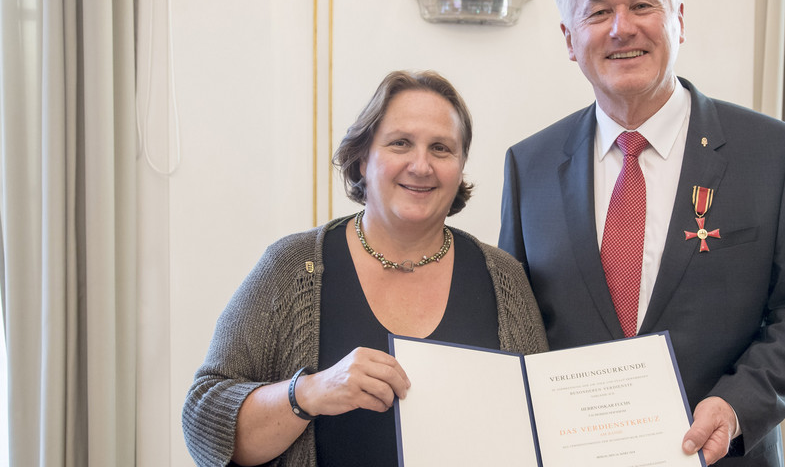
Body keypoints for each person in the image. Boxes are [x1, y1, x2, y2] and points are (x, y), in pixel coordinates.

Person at [498, 0, 785, 466]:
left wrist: (735, 406)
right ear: (569, 39)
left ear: (679, 19)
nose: (622, 28)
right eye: (597, 12)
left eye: (643, 5)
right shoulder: (530, 165)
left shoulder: (771, 153)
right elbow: (513, 319)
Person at [183, 70, 549, 466]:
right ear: (362, 160)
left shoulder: (504, 278)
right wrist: (307, 393)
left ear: (460, 168)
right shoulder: (291, 267)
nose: (421, 165)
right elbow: (204, 417)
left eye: (441, 148)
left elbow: (545, 425)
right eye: (400, 143)